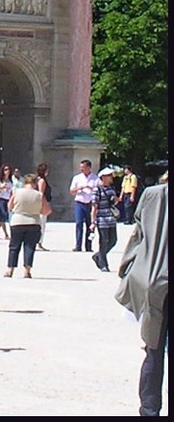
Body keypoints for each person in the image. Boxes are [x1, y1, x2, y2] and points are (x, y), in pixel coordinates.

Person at [115, 178, 168, 417]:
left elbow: (138, 237)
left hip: (154, 280)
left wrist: (126, 270)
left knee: (153, 349)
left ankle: (149, 410)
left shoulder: (152, 195)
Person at [4, 173, 42, 278]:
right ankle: (27, 270)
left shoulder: (17, 192)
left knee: (14, 246)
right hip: (34, 222)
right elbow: (46, 210)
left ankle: (10, 270)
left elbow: (9, 206)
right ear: (35, 183)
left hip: (17, 221)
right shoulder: (39, 195)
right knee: (30, 247)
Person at [90, 167, 119, 272]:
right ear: (103, 177)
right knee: (104, 241)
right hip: (102, 219)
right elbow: (94, 206)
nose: (111, 177)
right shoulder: (97, 189)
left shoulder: (111, 188)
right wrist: (93, 222)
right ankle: (103, 264)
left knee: (113, 240)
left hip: (111, 218)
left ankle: (98, 256)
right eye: (109, 175)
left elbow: (113, 202)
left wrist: (116, 200)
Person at [69, 158, 99, 252]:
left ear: (89, 167)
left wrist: (92, 188)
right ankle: (78, 245)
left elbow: (99, 190)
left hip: (91, 203)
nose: (81, 169)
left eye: (83, 167)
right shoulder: (77, 178)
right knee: (79, 224)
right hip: (80, 202)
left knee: (90, 225)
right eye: (81, 167)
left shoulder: (96, 178)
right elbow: (71, 191)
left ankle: (88, 246)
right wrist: (79, 188)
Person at [36, 162, 52, 250]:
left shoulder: (38, 179)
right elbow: (41, 194)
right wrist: (44, 205)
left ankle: (38, 242)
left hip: (40, 204)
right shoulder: (42, 180)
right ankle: (39, 242)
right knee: (41, 224)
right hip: (42, 204)